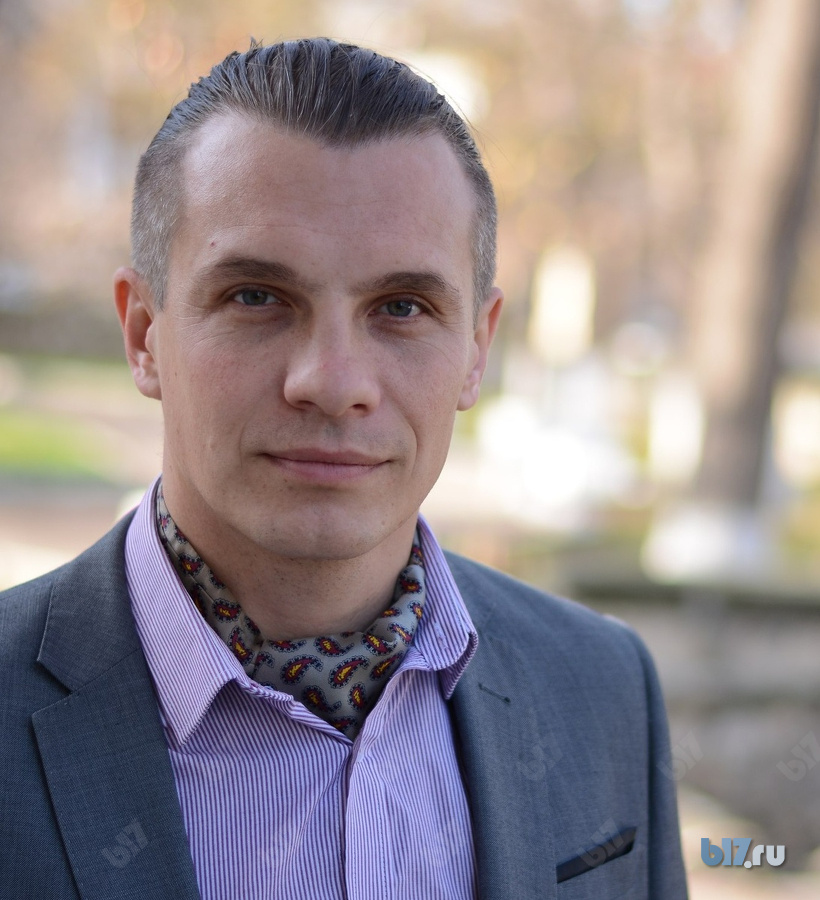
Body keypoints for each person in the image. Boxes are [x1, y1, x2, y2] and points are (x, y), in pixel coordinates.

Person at [0, 38, 687, 899]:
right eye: (257, 297)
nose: (331, 382)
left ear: (477, 350)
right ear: (143, 333)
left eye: (401, 307)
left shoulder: (603, 688)